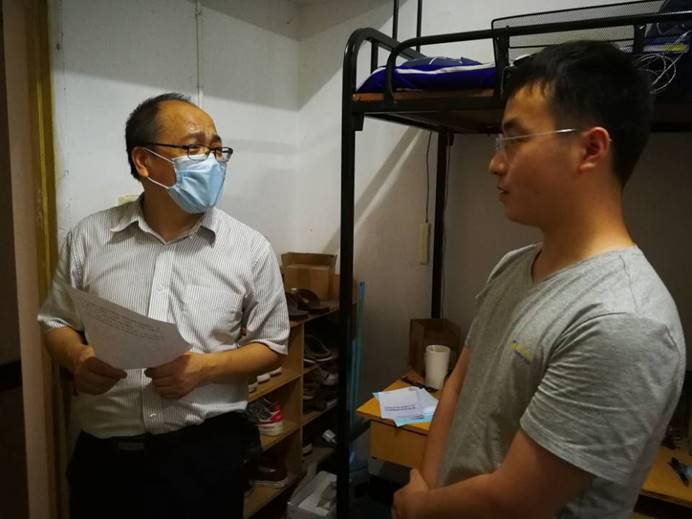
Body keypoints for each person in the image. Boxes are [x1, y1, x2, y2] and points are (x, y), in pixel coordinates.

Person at [393, 40, 686, 519]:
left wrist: (422, 508)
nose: (495, 162)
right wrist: (426, 485)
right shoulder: (514, 265)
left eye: (515, 139)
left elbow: (517, 502)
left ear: (590, 149)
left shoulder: (625, 322)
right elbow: (459, 387)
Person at [38, 93, 289, 518]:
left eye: (217, 149)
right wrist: (76, 357)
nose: (211, 161)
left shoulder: (249, 249)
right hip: (106, 462)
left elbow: (273, 344)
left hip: (203, 457)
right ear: (144, 161)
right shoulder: (89, 238)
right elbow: (55, 320)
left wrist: (206, 368)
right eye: (193, 148)